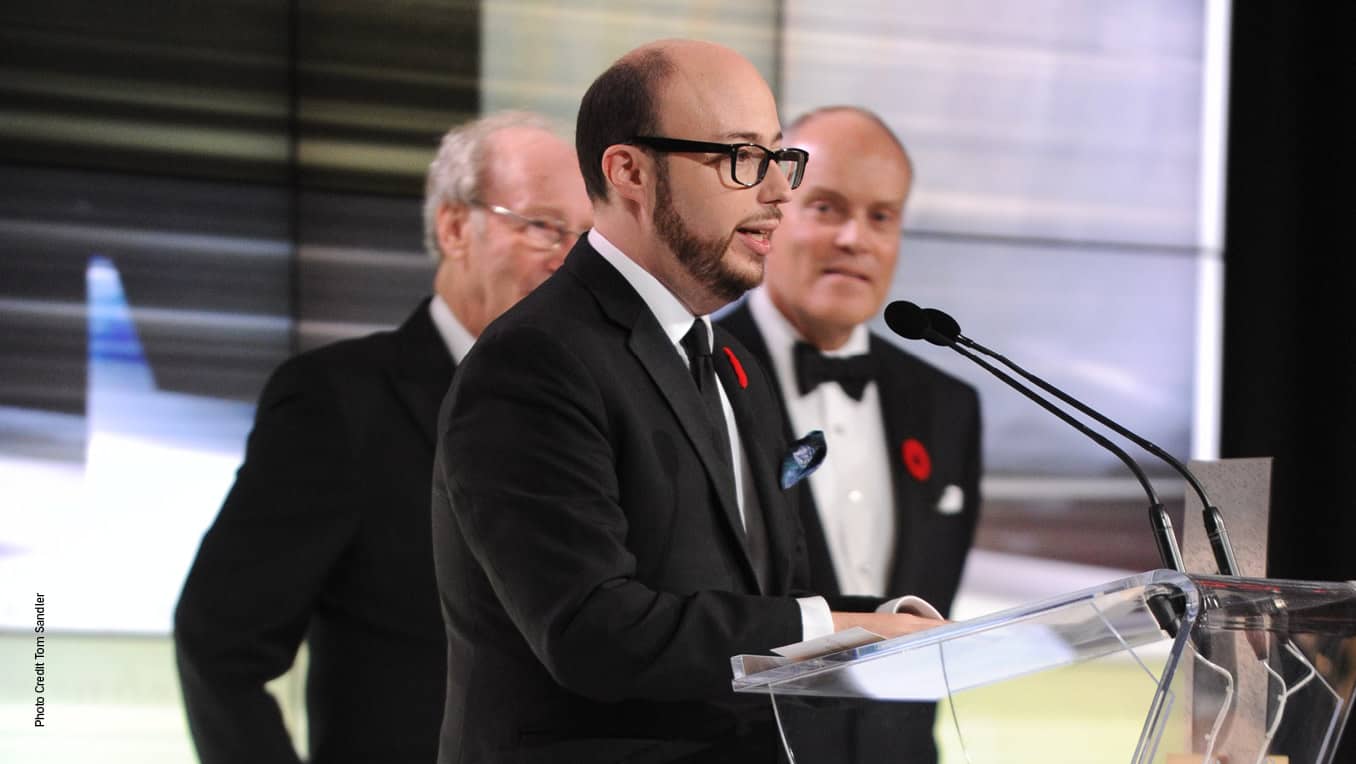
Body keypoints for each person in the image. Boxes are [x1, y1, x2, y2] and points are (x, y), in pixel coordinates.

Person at [431, 41, 943, 764]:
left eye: (778, 160)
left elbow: (753, 597)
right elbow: (592, 632)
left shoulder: (732, 363)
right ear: (630, 171)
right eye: (740, 158)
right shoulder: (535, 359)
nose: (777, 193)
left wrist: (871, 629)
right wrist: (831, 620)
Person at [173, 111, 592, 764]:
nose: (570, 260)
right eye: (543, 226)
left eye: (586, 238)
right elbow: (219, 643)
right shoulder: (336, 401)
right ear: (456, 226)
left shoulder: (591, 409)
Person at [719, 106, 982, 762]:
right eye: (827, 208)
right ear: (770, 215)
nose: (855, 239)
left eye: (881, 216)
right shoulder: (695, 372)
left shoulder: (949, 404)